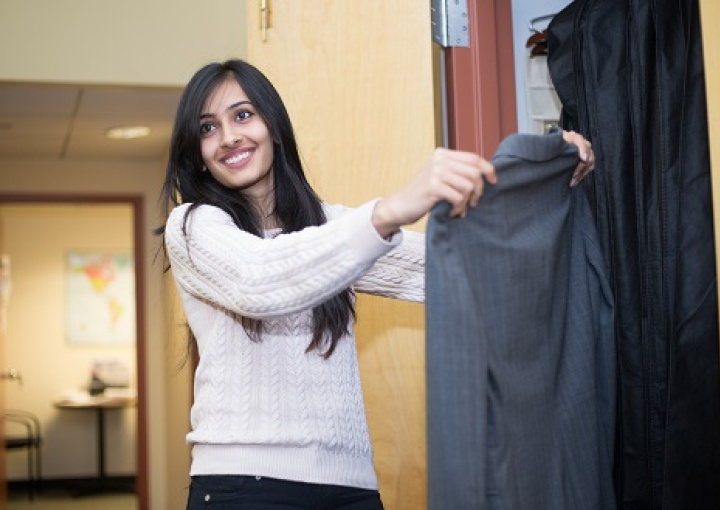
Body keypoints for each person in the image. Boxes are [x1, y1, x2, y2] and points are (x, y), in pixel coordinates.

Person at [156, 58, 594, 510]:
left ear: (275, 126)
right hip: (241, 487)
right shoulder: (192, 227)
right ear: (198, 155)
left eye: (243, 115)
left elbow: (461, 265)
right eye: (208, 128)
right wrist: (390, 211)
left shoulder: (330, 229)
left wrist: (545, 170)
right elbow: (260, 280)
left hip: (351, 487)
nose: (229, 137)